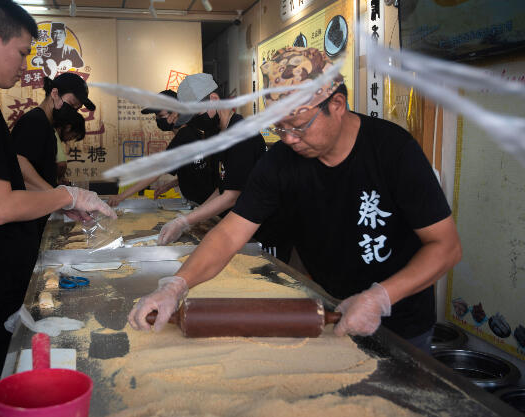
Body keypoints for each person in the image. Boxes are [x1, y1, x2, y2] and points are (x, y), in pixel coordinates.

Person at [128, 46, 462, 354]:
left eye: (299, 126)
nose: (289, 138)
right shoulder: (280, 162)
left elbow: (445, 246)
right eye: (279, 127)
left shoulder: (392, 151)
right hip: (330, 309)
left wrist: (380, 297)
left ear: (336, 105)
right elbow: (230, 234)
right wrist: (176, 286)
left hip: (401, 320)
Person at [0, 1, 115, 416]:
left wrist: (54, 200)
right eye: (22, 51)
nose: (25, 64)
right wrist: (68, 196)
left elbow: (10, 168)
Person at [156, 74, 268, 247]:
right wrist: (193, 219)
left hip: (262, 229)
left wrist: (183, 222)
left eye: (196, 113)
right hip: (238, 225)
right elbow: (222, 188)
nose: (195, 121)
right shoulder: (216, 135)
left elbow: (231, 196)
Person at [12, 73, 93, 242]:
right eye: (71, 105)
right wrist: (60, 197)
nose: (72, 112)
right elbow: (18, 162)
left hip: (36, 214)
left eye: (76, 109)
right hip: (23, 219)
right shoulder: (34, 122)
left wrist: (59, 202)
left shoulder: (47, 126)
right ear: (54, 93)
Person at [107, 89, 217, 207]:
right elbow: (194, 172)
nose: (158, 120)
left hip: (206, 205)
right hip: (205, 202)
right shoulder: (192, 133)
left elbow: (155, 173)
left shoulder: (184, 137)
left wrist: (120, 196)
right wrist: (168, 185)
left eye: (160, 116)